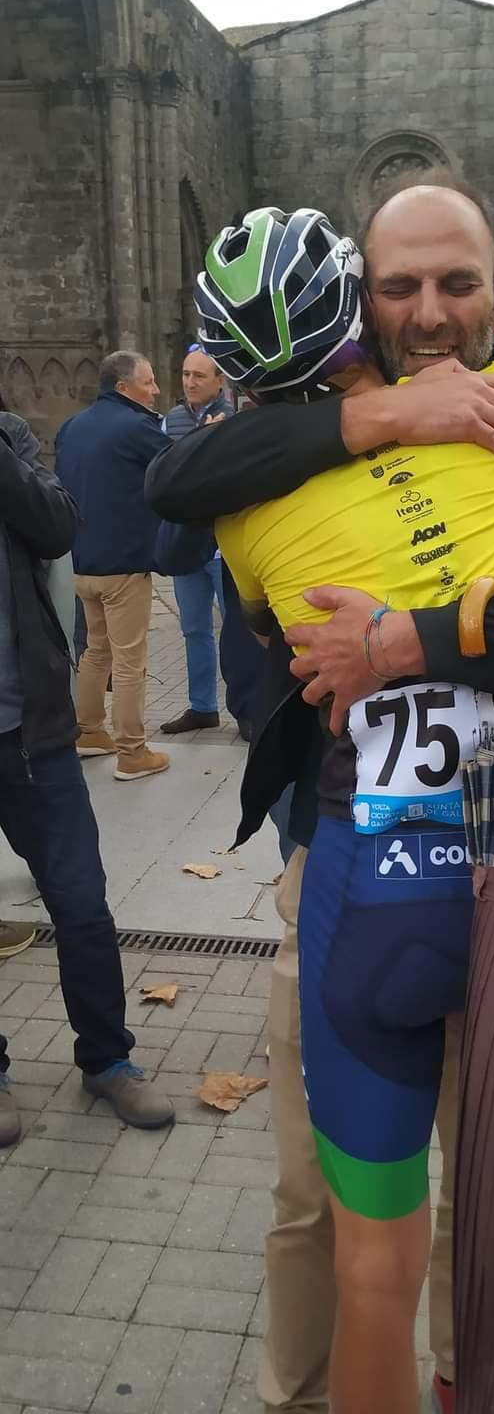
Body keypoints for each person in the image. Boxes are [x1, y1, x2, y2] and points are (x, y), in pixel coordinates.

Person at [146, 189, 494, 1414]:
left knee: (376, 1256)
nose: (431, 314)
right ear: (361, 304)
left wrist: (408, 640)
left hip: (375, 899)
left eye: (456, 285)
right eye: (401, 289)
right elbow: (180, 468)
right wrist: (389, 415)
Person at [0, 412, 174, 1147]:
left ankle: (107, 1058)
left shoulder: (11, 438)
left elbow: (58, 526)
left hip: (32, 732)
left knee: (81, 904)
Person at [55, 351, 170, 781]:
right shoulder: (137, 427)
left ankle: (88, 732)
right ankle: (132, 751)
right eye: (150, 381)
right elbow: (179, 466)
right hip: (123, 564)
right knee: (128, 659)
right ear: (124, 387)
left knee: (95, 650)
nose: (155, 391)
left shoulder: (72, 426)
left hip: (80, 563)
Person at [159, 347, 234, 735]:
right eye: (186, 374)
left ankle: (246, 708)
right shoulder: (169, 421)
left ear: (220, 381)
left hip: (224, 546)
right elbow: (164, 478)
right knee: (194, 631)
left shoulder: (236, 421)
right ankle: (202, 707)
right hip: (187, 545)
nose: (189, 382)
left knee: (238, 631)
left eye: (199, 376)